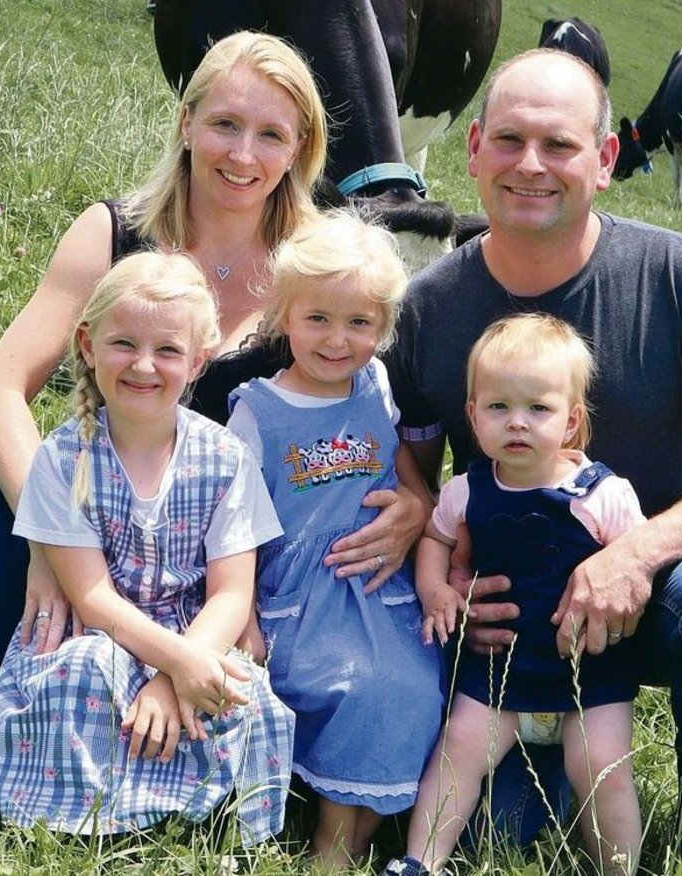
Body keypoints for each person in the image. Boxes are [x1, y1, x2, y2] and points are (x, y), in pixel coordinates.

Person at [384, 49, 682, 875]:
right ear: (472, 150)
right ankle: (543, 762)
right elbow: (415, 476)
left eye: (560, 144)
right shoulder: (430, 307)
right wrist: (443, 575)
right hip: (511, 620)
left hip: (659, 596)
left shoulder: (678, 275)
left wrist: (638, 552)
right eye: (508, 141)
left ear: (608, 159)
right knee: (487, 840)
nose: (530, 166)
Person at [0, 31, 427, 665]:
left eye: (270, 135)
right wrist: (49, 537)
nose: (242, 154)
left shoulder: (327, 264)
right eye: (224, 124)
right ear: (185, 123)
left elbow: (377, 410)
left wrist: (418, 503)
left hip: (250, 566)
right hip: (106, 535)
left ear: (300, 149)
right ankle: (50, 676)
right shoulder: (114, 232)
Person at [0, 251, 294, 842]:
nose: (144, 366)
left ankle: (205, 812)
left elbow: (231, 595)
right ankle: (90, 817)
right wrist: (171, 662)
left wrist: (180, 672)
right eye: (124, 344)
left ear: (198, 362)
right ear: (88, 346)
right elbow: (91, 598)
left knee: (241, 693)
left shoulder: (225, 458)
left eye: (168, 351)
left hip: (195, 630)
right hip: (104, 630)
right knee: (84, 676)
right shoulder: (65, 458)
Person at [385, 313, 645, 876]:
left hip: (587, 676)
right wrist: (435, 589)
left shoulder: (602, 495)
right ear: (473, 417)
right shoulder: (467, 490)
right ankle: (418, 863)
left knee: (602, 767)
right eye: (499, 408)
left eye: (539, 409)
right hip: (496, 674)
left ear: (571, 421)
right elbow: (434, 534)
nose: (517, 423)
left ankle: (618, 867)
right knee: (458, 752)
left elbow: (636, 568)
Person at [225, 212, 444, 870]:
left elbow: (402, 470)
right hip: (299, 594)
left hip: (379, 589)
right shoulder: (257, 412)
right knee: (353, 687)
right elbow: (230, 524)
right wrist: (242, 617)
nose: (336, 340)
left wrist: (415, 504)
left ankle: (354, 831)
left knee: (412, 687)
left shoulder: (375, 387)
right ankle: (331, 838)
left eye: (359, 324)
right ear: (283, 315)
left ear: (382, 330)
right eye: (317, 318)